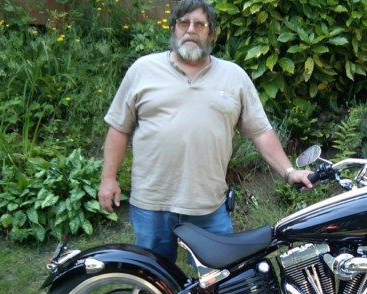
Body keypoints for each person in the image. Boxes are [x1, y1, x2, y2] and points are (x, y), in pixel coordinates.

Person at [98, 0, 313, 264]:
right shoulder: (143, 69)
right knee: (153, 277)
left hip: (208, 206)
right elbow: (119, 128)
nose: (191, 30)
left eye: (200, 24)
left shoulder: (234, 76)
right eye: (183, 23)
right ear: (174, 29)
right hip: (152, 204)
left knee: (220, 277)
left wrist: (290, 172)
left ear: (212, 34)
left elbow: (261, 132)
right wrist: (108, 179)